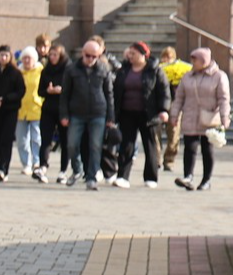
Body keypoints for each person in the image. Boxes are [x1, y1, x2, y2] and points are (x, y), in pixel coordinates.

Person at [110, 42, 170, 187]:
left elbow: (164, 91)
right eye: (129, 53)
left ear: (144, 55)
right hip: (126, 113)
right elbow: (115, 91)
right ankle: (122, 177)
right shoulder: (124, 70)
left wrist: (164, 110)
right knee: (126, 145)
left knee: (150, 145)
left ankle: (151, 178)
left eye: (133, 53)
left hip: (148, 114)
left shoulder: (155, 70)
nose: (130, 56)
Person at [172, 49, 231, 190]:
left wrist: (225, 117)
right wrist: (174, 115)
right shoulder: (187, 76)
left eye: (195, 60)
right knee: (189, 148)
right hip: (190, 117)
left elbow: (224, 99)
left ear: (204, 61)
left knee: (207, 149)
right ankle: (188, 176)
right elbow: (179, 98)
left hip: (209, 119)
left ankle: (206, 180)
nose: (193, 63)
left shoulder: (219, 76)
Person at [60, 40, 115, 190]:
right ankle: (77, 169)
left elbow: (109, 94)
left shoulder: (104, 69)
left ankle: (91, 177)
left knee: (96, 146)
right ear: (82, 54)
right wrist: (64, 114)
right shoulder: (72, 70)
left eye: (94, 56)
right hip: (76, 113)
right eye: (87, 56)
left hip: (98, 112)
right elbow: (65, 94)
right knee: (72, 144)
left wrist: (111, 117)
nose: (90, 59)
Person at [0, 45, 22, 179]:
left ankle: (3, 168)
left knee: (6, 139)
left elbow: (20, 91)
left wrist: (5, 99)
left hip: (9, 110)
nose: (3, 58)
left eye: (6, 55)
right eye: (1, 55)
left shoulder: (15, 73)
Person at [38, 43, 69, 181]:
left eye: (55, 55)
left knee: (65, 140)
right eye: (50, 55)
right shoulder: (46, 70)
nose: (52, 57)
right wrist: (48, 91)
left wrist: (61, 90)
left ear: (61, 56)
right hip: (48, 108)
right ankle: (43, 167)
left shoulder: (68, 70)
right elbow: (40, 91)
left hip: (64, 110)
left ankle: (63, 171)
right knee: (45, 139)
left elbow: (72, 90)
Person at [157, 46, 190, 171]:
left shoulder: (181, 71)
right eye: (165, 57)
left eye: (169, 57)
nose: (167, 60)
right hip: (158, 105)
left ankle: (169, 160)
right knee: (156, 134)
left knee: (174, 134)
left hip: (175, 104)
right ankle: (156, 159)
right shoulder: (158, 70)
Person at [14, 48, 44, 178]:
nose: (26, 60)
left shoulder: (40, 71)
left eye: (29, 58)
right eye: (24, 58)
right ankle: (26, 163)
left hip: (36, 108)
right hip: (21, 109)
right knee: (21, 139)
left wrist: (40, 101)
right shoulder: (18, 72)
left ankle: (36, 162)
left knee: (36, 138)